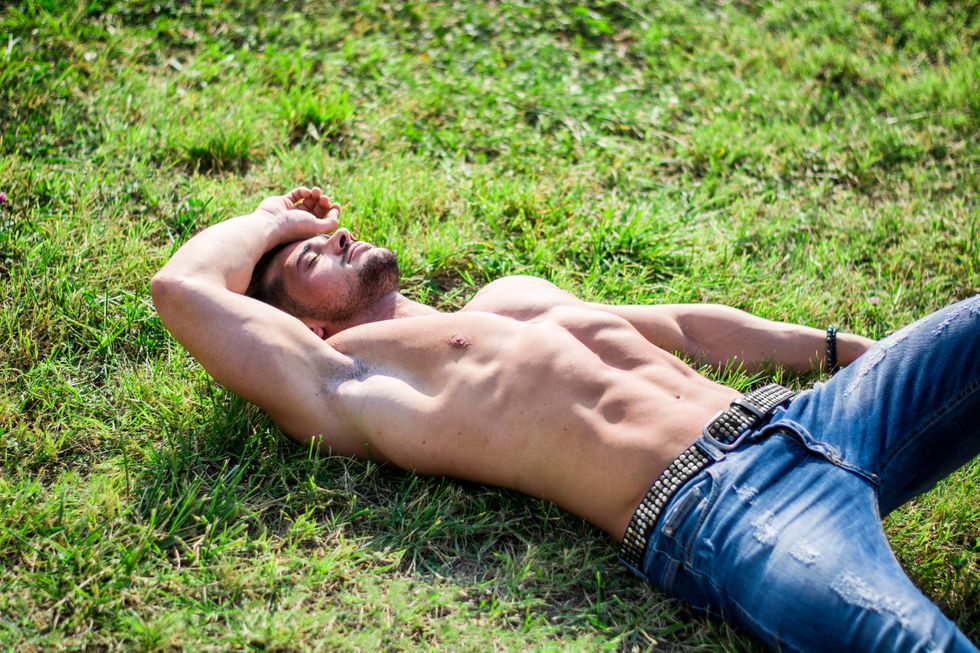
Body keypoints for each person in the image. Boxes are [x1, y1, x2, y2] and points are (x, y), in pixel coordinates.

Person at [151, 187, 979, 653]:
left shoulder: (511, 300)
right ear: (308, 331)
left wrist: (852, 352)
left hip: (815, 416)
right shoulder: (354, 382)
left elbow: (686, 329)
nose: (336, 237)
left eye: (330, 234)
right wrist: (274, 220)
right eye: (313, 258)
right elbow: (182, 290)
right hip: (734, 517)